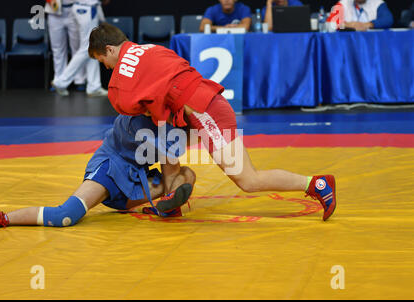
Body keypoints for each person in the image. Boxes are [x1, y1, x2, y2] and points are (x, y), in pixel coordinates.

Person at [88, 23, 337, 221]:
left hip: (204, 111)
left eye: (102, 61)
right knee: (166, 146)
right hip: (197, 108)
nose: (107, 67)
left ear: (110, 49)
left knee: (248, 180)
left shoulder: (125, 70)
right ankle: (172, 201)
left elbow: (125, 102)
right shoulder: (150, 49)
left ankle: (318, 184)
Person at [0, 114, 196, 231]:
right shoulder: (134, 115)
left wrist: (170, 198)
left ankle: (166, 207)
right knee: (65, 216)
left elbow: (173, 169)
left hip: (134, 181)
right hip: (110, 171)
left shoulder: (171, 128)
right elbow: (170, 166)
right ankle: (4, 218)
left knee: (187, 175)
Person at [51, 0, 111, 97]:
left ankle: (94, 86)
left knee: (92, 47)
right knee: (87, 48)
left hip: (82, 7)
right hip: (86, 8)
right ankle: (61, 82)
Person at [45, 0, 87, 92]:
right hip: (54, 11)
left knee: (77, 48)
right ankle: (59, 80)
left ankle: (80, 80)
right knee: (57, 49)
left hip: (74, 9)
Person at [327, 0, 394, 31]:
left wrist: (368, 25)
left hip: (371, 42)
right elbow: (330, 24)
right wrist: (348, 25)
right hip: (348, 43)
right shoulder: (343, 3)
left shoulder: (378, 3)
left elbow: (388, 20)